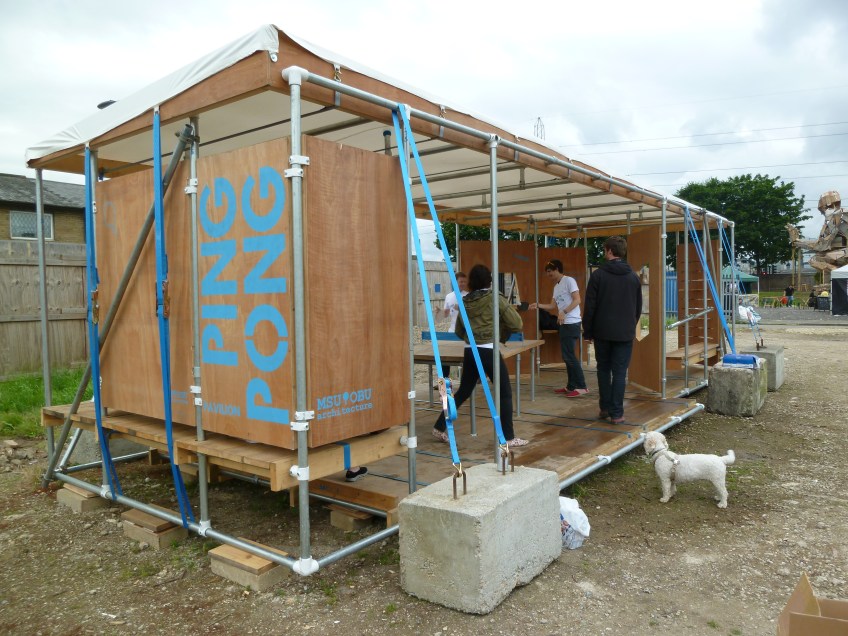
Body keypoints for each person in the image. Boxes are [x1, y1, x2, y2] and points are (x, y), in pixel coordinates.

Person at [432, 264, 528, 448]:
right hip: (489, 350)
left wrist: (472, 338)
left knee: (464, 391)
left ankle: (439, 426)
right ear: (489, 280)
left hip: (470, 350)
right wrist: (499, 332)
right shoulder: (495, 298)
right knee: (505, 394)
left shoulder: (465, 300)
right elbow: (517, 323)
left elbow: (459, 330)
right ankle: (508, 438)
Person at [582, 236, 642, 424]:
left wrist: (588, 332)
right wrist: (630, 325)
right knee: (619, 372)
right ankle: (617, 414)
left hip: (602, 332)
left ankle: (605, 408)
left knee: (603, 369)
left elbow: (590, 306)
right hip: (624, 333)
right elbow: (638, 307)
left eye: (604, 249)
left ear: (609, 251)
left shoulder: (598, 275)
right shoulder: (633, 277)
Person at [528, 259, 588, 397]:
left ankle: (582, 386)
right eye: (547, 272)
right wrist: (537, 305)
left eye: (550, 272)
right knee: (567, 356)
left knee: (569, 355)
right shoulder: (556, 287)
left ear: (556, 269)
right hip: (563, 324)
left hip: (572, 322)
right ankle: (571, 386)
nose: (548, 275)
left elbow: (577, 300)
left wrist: (564, 312)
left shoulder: (569, 281)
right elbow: (552, 306)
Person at [439, 272, 468, 380]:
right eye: (461, 281)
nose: (463, 284)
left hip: (465, 332)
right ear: (455, 282)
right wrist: (440, 312)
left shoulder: (468, 296)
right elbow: (446, 315)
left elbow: (472, 314)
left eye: (465, 282)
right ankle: (443, 388)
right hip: (452, 331)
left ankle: (467, 384)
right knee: (443, 359)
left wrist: (461, 308)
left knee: (467, 359)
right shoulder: (449, 296)